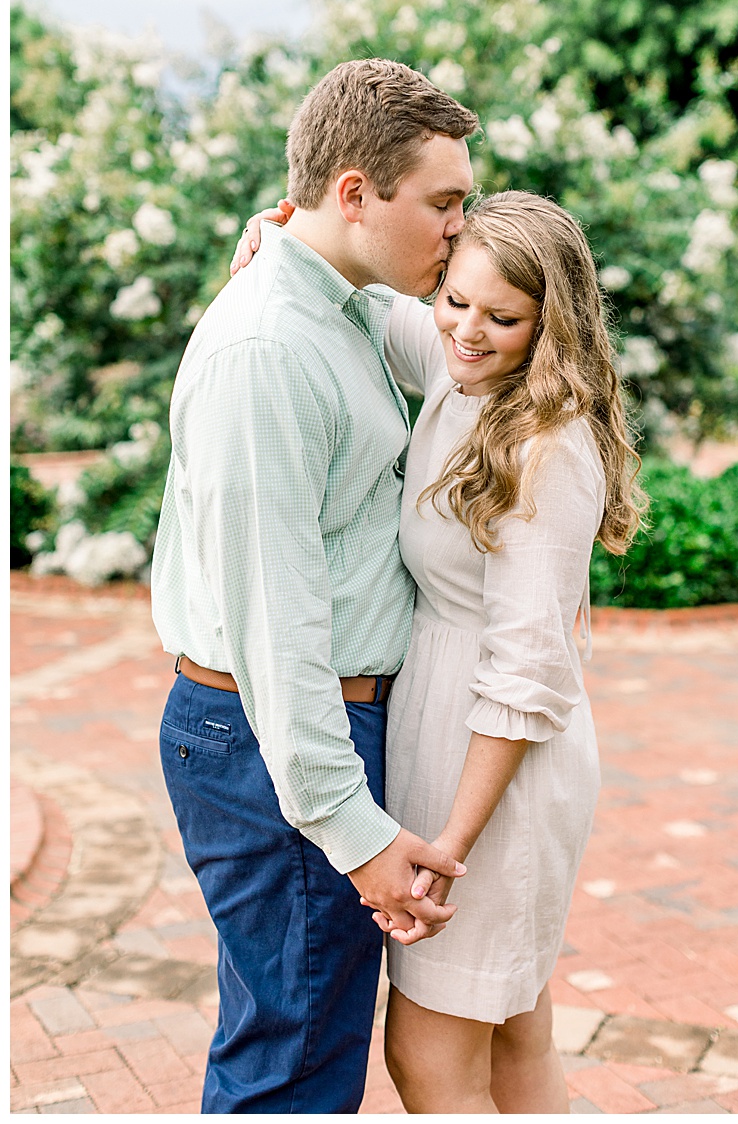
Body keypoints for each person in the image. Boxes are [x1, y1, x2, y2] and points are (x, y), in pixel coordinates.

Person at [236, 190, 643, 1112]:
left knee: (429, 1053)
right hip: (440, 731)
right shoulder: (464, 368)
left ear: (550, 324)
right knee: (514, 1037)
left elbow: (526, 677)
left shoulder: (546, 444)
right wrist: (282, 233)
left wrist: (450, 846)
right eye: (455, 300)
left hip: (495, 770)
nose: (465, 330)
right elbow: (377, 307)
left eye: (502, 317)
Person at [152, 59, 476, 1112]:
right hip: (277, 740)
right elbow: (275, 626)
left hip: (298, 736)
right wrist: (354, 830)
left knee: (301, 1048)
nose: (457, 231)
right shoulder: (268, 349)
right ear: (354, 193)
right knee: (289, 1073)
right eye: (443, 203)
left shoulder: (341, 303)